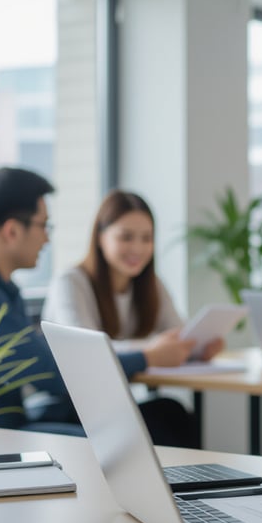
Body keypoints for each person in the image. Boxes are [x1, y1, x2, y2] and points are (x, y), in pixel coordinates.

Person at [0, 168, 194, 438]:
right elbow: (52, 374)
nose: (47, 238)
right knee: (123, 441)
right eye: (43, 225)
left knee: (166, 415)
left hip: (7, 424)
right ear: (12, 231)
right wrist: (147, 357)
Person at [42, 189, 224, 447]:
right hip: (69, 407)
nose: (137, 248)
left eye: (146, 238)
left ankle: (187, 486)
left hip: (110, 405)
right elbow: (85, 352)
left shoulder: (149, 285)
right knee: (160, 425)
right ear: (101, 237)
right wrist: (152, 351)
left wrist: (196, 348)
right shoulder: (71, 282)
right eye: (126, 237)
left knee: (173, 414)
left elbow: (175, 333)